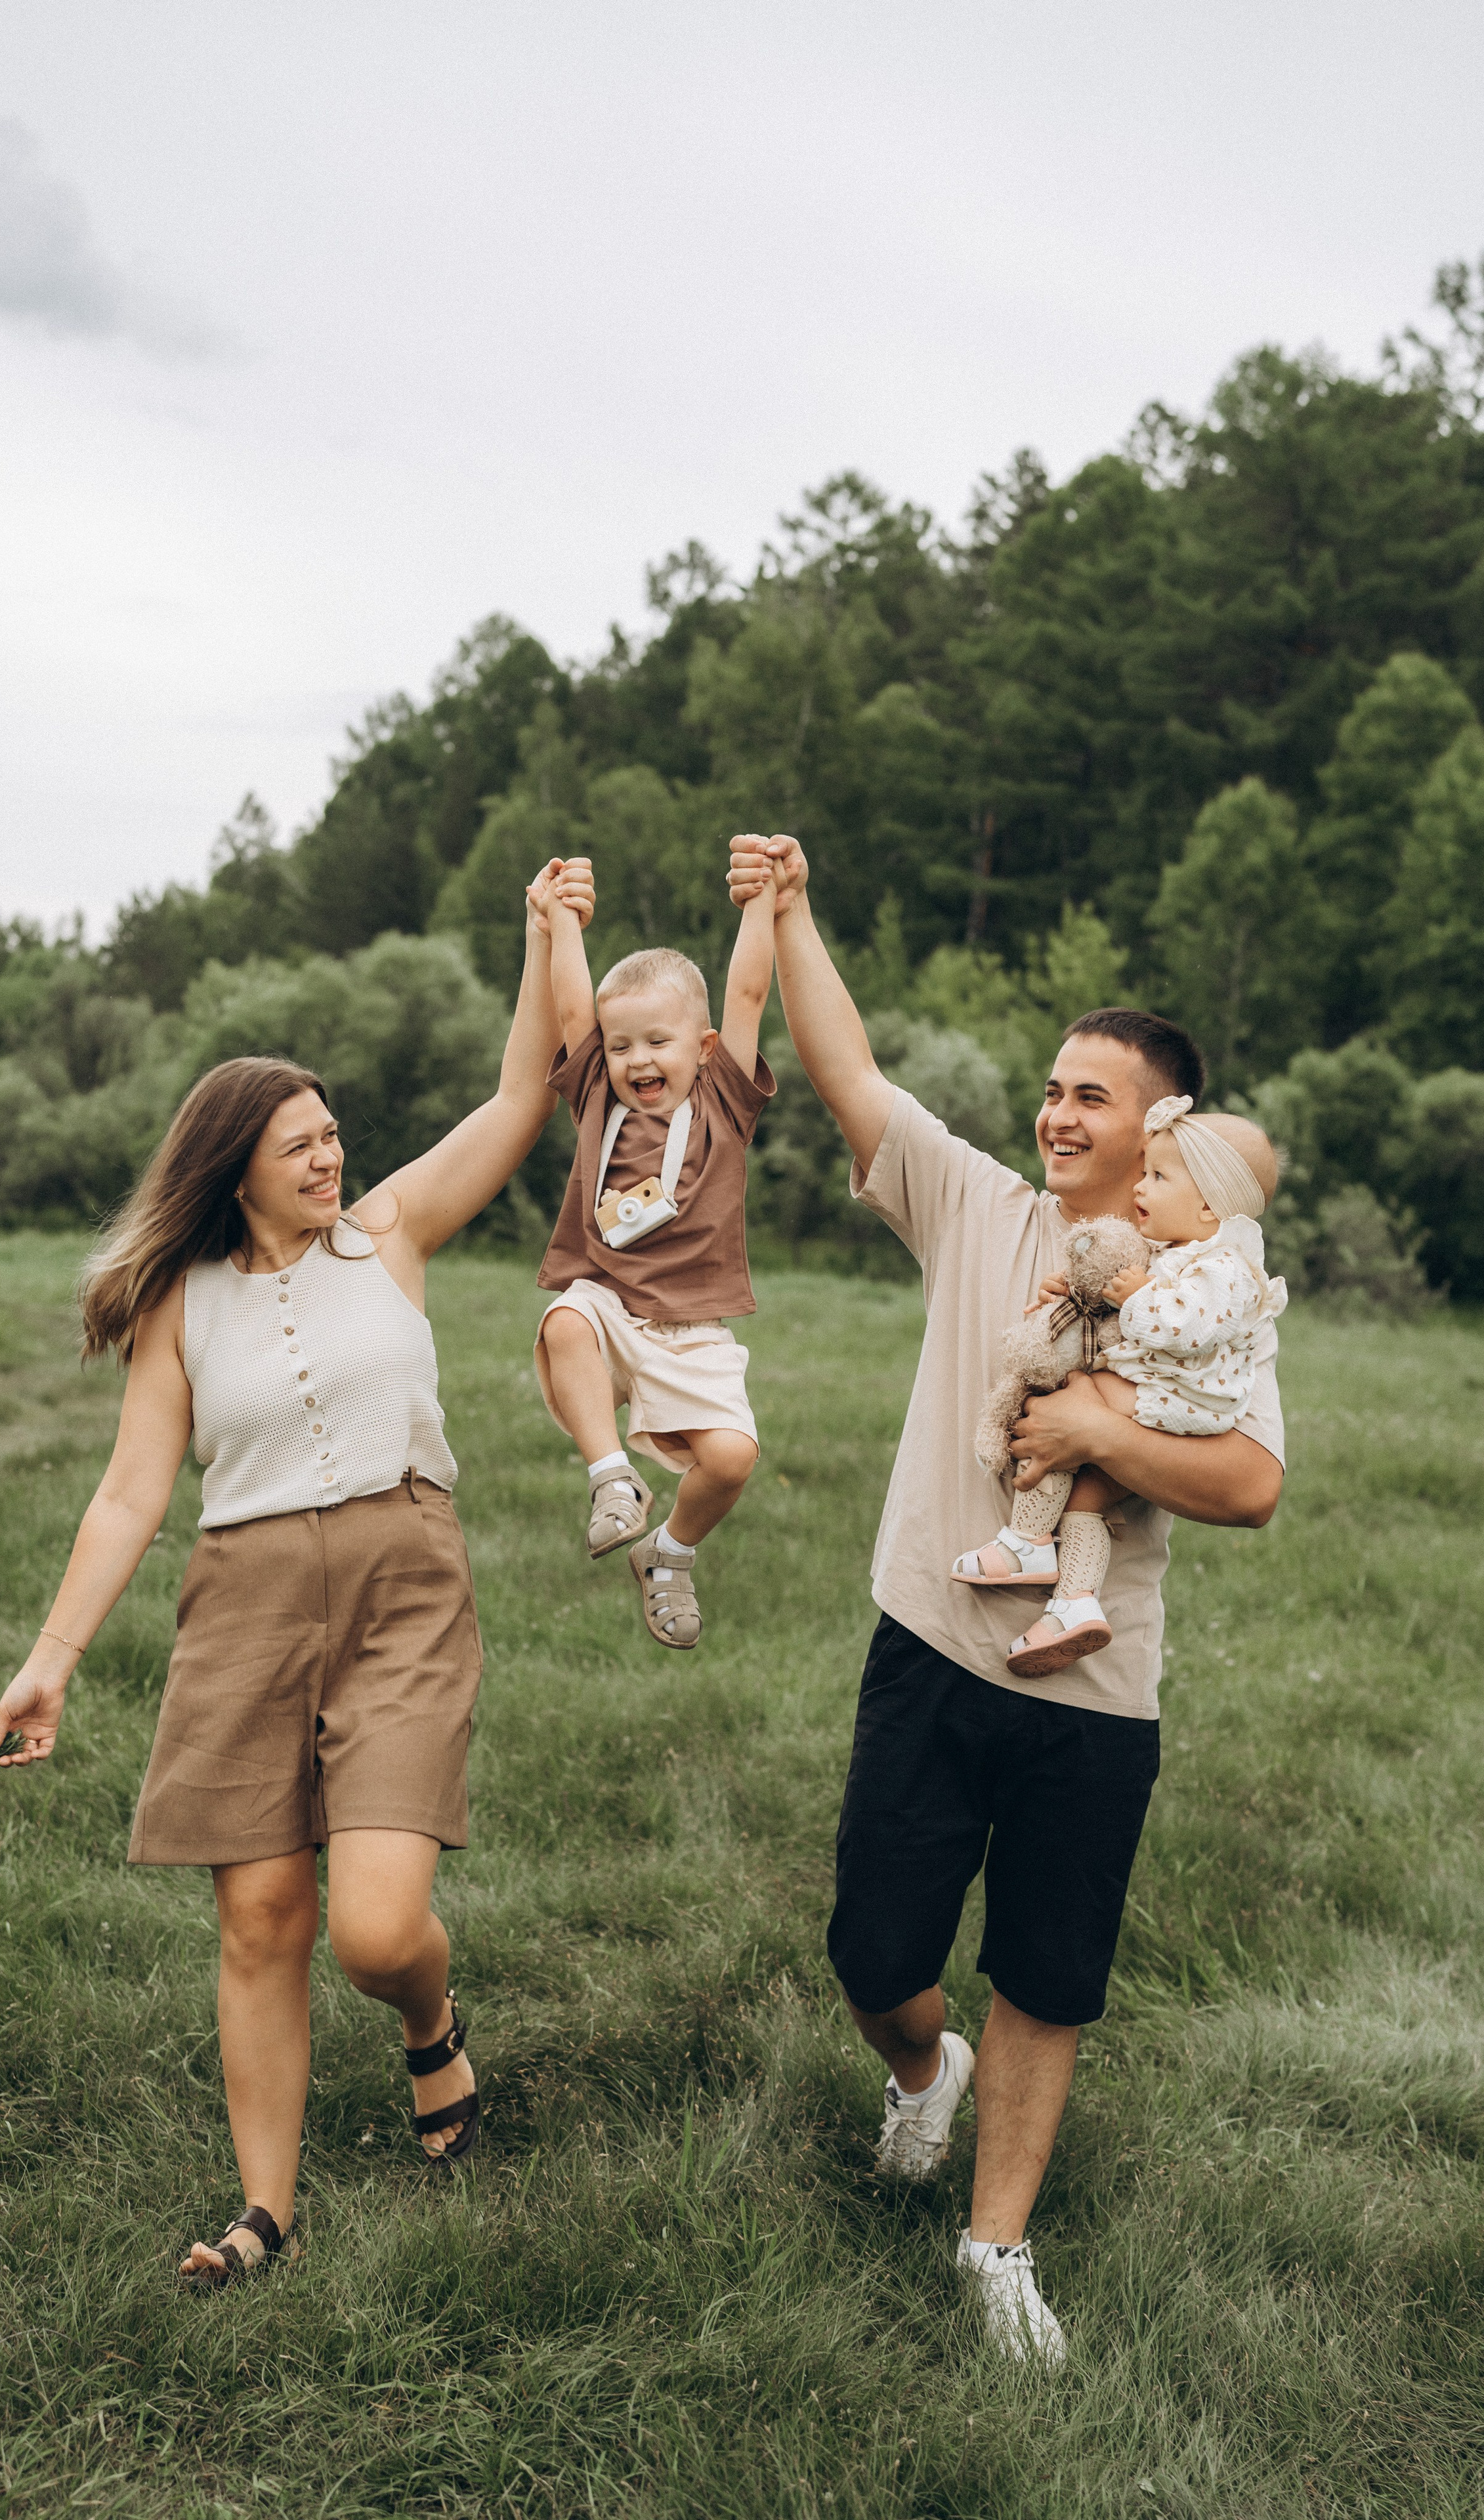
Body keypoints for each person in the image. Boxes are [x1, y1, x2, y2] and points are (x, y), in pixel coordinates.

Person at [0, 856, 592, 2286]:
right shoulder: (181, 1308)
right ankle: (267, 2210)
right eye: (301, 1144)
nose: (329, 1157)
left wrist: (538, 939)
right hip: (243, 1602)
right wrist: (51, 1661)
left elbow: (518, 1100)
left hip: (400, 1584)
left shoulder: (390, 1236)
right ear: (234, 1163)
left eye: (334, 1136)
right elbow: (135, 1491)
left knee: (375, 1929)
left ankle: (427, 2024)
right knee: (261, 1913)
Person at [727, 835, 1284, 2370]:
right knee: (871, 1954)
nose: (1050, 1111)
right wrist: (789, 915)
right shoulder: (976, 1210)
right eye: (1047, 1086)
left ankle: (995, 2248)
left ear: (1157, 1132)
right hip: (928, 1639)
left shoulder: (1209, 1290)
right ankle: (921, 2069)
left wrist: (1101, 1434)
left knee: (1045, 1970)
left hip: (1092, 1694)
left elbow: (1248, 1483)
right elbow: (848, 1076)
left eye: (1085, 1095)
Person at [531, 852, 777, 1649]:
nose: (637, 1061)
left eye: (657, 1043)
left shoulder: (724, 1101)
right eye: (621, 1045)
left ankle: (668, 1554)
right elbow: (575, 1006)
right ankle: (611, 1480)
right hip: (610, 1299)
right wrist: (565, 916)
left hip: (692, 1326)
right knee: (564, 1322)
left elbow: (746, 992)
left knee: (733, 1458)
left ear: (704, 1047)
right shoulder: (596, 1096)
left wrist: (761, 902)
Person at [953, 1095, 1286, 1677]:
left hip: (1184, 1400)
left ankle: (1028, 1536)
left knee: (1072, 1402)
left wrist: (1136, 1298)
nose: (1142, 1187)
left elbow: (1184, 1326)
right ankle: (1075, 1606)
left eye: (1159, 1177)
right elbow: (1116, 1289)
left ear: (1209, 1207)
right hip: (1166, 1393)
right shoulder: (1177, 1253)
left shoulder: (1226, 1267)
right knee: (1089, 1501)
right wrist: (1078, 1291)